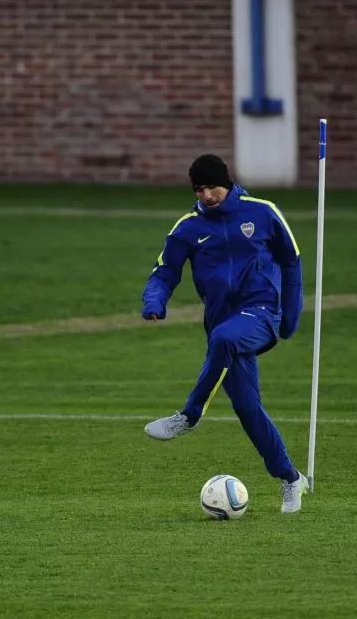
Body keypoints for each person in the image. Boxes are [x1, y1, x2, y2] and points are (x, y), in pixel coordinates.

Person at [140, 153, 309, 513]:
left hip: (262, 313)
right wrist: (155, 301)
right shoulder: (188, 227)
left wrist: (290, 316)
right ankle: (292, 479)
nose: (207, 196)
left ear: (227, 183)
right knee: (248, 409)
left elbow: (292, 261)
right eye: (199, 190)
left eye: (212, 188)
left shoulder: (263, 212)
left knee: (224, 339)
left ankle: (190, 415)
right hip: (222, 323)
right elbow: (164, 271)